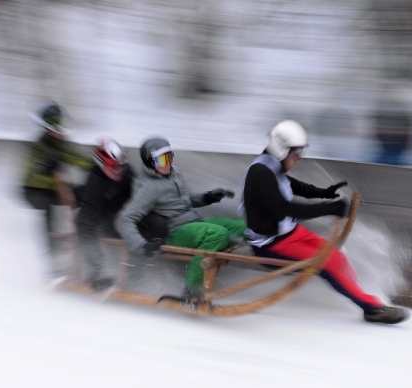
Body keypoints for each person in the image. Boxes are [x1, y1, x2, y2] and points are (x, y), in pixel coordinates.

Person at [241, 119, 410, 324]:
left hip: (289, 233)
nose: (300, 158)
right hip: (270, 245)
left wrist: (323, 193)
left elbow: (291, 185)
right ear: (280, 149)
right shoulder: (260, 172)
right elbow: (282, 210)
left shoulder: (270, 165)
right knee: (327, 263)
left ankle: (361, 297)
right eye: (297, 153)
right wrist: (329, 209)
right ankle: (373, 309)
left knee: (336, 257)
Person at [115, 137, 246, 304]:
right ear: (150, 162)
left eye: (169, 156)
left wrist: (207, 197)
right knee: (218, 234)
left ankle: (264, 252)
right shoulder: (149, 188)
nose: (167, 162)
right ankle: (191, 291)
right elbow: (124, 219)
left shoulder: (175, 173)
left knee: (240, 226)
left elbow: (185, 200)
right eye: (162, 159)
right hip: (175, 232)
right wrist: (142, 245)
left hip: (194, 223)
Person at [22, 102, 92, 254]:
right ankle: (51, 251)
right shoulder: (39, 146)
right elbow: (32, 175)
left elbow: (78, 159)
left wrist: (98, 166)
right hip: (34, 190)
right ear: (48, 128)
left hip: (55, 187)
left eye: (62, 127)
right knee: (48, 208)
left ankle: (86, 233)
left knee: (85, 194)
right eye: (57, 128)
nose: (61, 132)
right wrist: (45, 168)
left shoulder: (61, 144)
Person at [76, 137, 135, 290]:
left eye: (123, 166)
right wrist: (99, 267)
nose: (121, 171)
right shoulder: (94, 186)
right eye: (115, 168)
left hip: (127, 216)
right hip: (106, 223)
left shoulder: (126, 173)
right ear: (102, 165)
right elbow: (84, 224)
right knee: (83, 226)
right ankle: (100, 271)